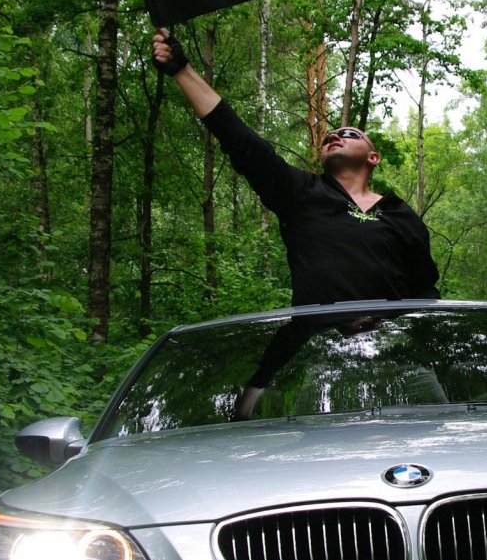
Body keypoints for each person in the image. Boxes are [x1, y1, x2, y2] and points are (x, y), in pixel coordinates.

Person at [150, 28, 440, 418]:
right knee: (308, 450)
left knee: (437, 440)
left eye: (348, 134)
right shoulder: (302, 194)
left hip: (405, 363)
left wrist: (394, 325)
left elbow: (427, 295)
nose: (334, 136)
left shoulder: (402, 215)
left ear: (373, 158)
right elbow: (242, 142)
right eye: (329, 136)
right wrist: (182, 69)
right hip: (324, 365)